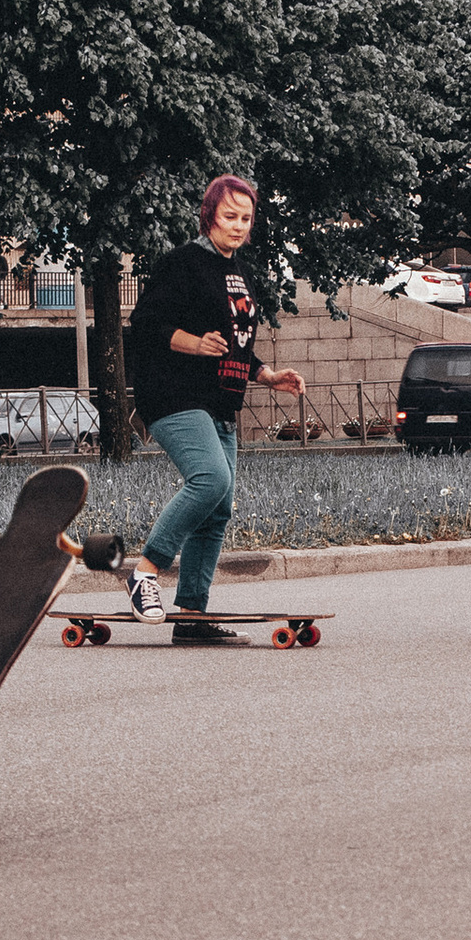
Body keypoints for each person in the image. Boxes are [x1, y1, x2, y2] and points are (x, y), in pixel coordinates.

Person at [123, 176, 309, 646]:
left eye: (246, 219)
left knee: (217, 509)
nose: (238, 226)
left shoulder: (240, 273)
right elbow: (144, 324)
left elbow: (237, 344)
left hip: (221, 402)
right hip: (173, 395)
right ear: (209, 215)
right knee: (211, 479)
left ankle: (191, 617)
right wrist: (193, 343)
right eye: (230, 216)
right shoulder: (182, 263)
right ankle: (145, 573)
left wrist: (267, 375)